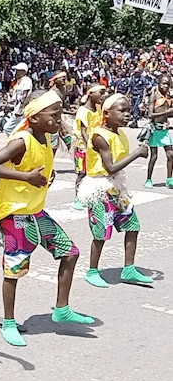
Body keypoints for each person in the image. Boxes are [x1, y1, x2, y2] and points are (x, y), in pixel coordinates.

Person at [0, 90, 95, 347]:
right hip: (15, 214)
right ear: (34, 118)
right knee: (14, 268)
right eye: (54, 114)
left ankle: (61, 309)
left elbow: (37, 167)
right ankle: (9, 322)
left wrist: (45, 177)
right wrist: (27, 178)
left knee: (70, 253)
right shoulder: (22, 140)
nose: (59, 117)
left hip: (35, 211)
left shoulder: (46, 138)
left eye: (59, 112)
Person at [79, 93, 153, 287]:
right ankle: (92, 270)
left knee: (132, 225)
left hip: (116, 187)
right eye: (122, 110)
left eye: (128, 110)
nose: (127, 114)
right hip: (99, 188)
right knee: (101, 232)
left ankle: (129, 269)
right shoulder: (99, 136)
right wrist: (137, 153)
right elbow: (111, 167)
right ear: (107, 113)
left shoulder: (118, 133)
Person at [72, 83, 106, 210]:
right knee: (82, 173)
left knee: (93, 173)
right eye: (100, 93)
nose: (103, 96)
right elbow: (83, 131)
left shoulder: (97, 109)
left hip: (95, 145)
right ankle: (78, 198)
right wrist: (90, 146)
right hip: (84, 146)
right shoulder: (83, 111)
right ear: (91, 94)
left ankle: (91, 195)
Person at [143, 74, 173, 188]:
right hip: (155, 129)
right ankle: (149, 179)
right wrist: (167, 112)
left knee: (170, 155)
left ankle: (169, 179)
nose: (166, 86)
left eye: (168, 84)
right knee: (154, 156)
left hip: (164, 130)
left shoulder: (168, 97)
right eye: (163, 83)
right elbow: (150, 114)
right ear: (158, 83)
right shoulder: (154, 96)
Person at [2, 62, 33, 134]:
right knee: (20, 129)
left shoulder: (26, 80)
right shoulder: (18, 82)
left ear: (24, 72)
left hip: (22, 108)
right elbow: (16, 97)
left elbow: (24, 96)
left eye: (18, 71)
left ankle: (15, 142)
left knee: (7, 128)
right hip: (17, 107)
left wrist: (20, 109)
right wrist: (7, 102)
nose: (16, 72)